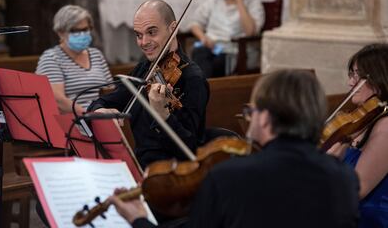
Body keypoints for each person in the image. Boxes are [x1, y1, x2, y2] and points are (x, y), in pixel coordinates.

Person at [108, 70, 359, 228]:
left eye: (252, 111)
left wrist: (138, 219)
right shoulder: (344, 177)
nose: (249, 119)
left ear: (265, 118)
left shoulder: (229, 176)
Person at [88, 0, 209, 169]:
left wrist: (163, 115)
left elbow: (189, 148)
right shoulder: (145, 68)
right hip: (140, 167)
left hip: (174, 175)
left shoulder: (192, 78)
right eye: (138, 35)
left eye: (151, 32)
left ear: (173, 29)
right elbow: (107, 101)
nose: (143, 42)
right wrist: (100, 110)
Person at [327, 43, 388, 227]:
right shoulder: (361, 120)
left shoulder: (385, 126)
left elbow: (357, 188)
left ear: (379, 79)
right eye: (351, 74)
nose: (350, 82)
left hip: (366, 219)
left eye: (356, 75)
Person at [190, 0, 265, 77]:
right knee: (199, 52)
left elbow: (250, 31)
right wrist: (203, 38)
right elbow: (195, 23)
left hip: (236, 52)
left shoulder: (253, 2)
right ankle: (205, 91)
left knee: (211, 62)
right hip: (212, 48)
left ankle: (205, 92)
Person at [35, 5, 113, 115]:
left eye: (85, 29)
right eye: (75, 30)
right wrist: (90, 115)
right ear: (60, 32)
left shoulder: (96, 54)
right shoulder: (51, 58)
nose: (82, 34)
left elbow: (110, 89)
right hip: (76, 122)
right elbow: (58, 101)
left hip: (103, 115)